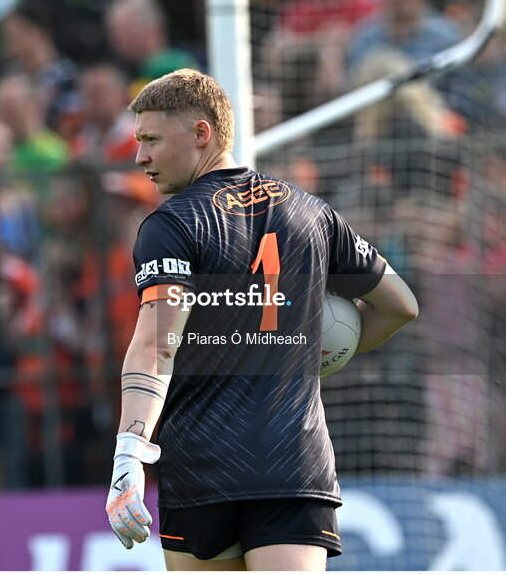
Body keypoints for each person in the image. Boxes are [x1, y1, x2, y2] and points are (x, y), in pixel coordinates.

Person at [104, 69, 418, 571]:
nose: (140, 156)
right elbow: (400, 305)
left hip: (204, 467)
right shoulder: (312, 212)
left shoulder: (171, 224)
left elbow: (156, 346)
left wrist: (129, 453)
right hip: (293, 462)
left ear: (201, 133)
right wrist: (310, 354)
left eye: (150, 140)